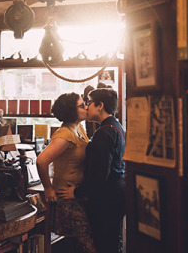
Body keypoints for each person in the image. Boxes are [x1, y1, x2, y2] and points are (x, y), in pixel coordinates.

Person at [57, 87, 126, 253]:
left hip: (106, 199)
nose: (87, 107)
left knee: (104, 244)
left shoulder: (104, 133)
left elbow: (99, 176)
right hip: (117, 193)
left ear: (100, 105)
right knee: (112, 241)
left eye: (89, 103)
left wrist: (77, 192)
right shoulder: (116, 126)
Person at [36, 92, 95, 253]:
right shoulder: (65, 135)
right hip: (67, 198)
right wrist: (48, 188)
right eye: (82, 105)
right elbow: (41, 161)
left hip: (78, 194)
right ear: (71, 110)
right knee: (87, 245)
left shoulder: (79, 129)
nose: (86, 107)